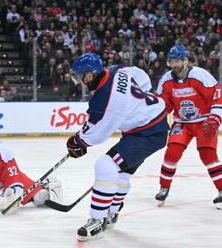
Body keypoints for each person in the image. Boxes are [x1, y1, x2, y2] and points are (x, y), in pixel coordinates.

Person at [67, 52, 168, 241]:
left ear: (90, 74)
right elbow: (142, 77)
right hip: (150, 124)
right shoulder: (116, 70)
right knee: (122, 172)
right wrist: (136, 102)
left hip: (147, 132)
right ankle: (111, 213)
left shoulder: (104, 100)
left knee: (106, 165)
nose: (79, 81)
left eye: (80, 76)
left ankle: (97, 220)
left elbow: (97, 134)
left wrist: (77, 142)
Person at [155, 45, 222, 209]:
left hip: (204, 121)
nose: (175, 65)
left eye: (178, 61)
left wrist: (215, 117)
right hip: (182, 122)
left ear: (185, 60)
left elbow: (217, 95)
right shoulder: (166, 80)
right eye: (172, 61)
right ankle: (164, 187)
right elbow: (163, 104)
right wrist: (155, 118)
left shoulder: (200, 75)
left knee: (208, 154)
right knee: (171, 153)